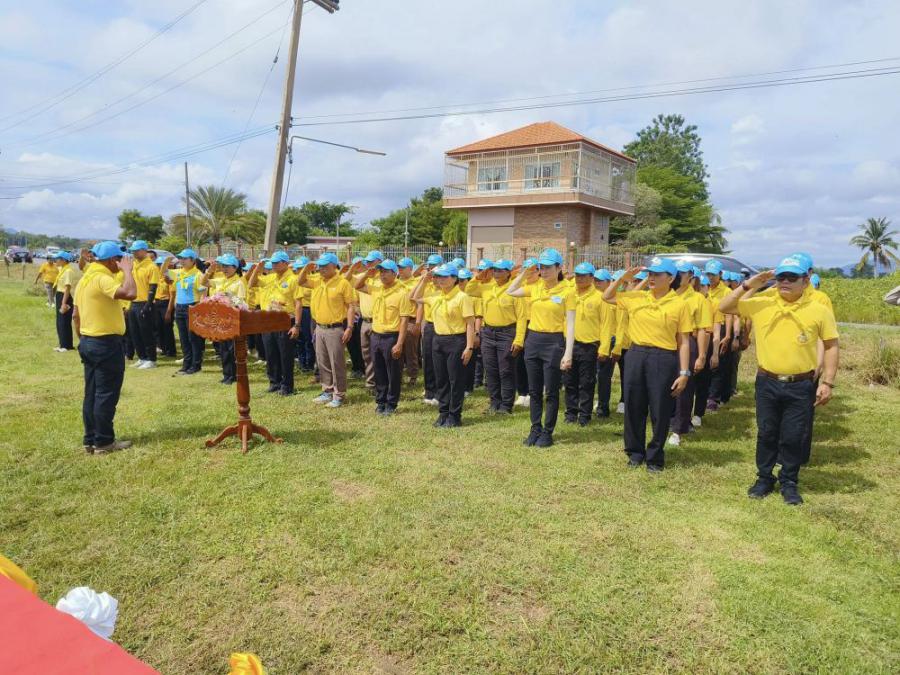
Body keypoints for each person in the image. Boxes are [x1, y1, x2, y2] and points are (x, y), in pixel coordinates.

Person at [719, 256, 839, 506]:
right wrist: (751, 283)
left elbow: (831, 345)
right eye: (781, 276)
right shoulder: (762, 303)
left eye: (791, 277)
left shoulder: (819, 309)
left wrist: (827, 382)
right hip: (767, 381)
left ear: (805, 281)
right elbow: (725, 306)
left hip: (801, 384)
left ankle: (789, 481)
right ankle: (764, 478)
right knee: (767, 432)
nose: (784, 281)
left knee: (793, 435)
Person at [603, 258, 692, 472]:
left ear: (670, 278)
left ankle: (655, 456)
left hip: (663, 357)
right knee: (634, 405)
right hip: (636, 354)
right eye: (650, 273)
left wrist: (684, 372)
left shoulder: (680, 304)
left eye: (657, 274)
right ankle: (635, 452)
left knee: (660, 408)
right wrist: (622, 279)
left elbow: (684, 341)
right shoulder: (637, 297)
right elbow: (607, 296)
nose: (652, 278)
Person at [71, 241, 137, 454]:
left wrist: (83, 338)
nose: (121, 263)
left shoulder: (85, 279)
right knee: (106, 394)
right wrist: (128, 271)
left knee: (91, 393)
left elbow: (76, 315)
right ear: (111, 260)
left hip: (89, 340)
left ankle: (91, 439)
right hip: (105, 343)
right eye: (119, 259)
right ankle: (104, 442)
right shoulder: (102, 278)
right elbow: (130, 293)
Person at [507, 248, 575, 448]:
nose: (543, 271)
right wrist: (523, 274)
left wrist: (568, 353)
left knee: (551, 391)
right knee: (534, 390)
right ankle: (535, 428)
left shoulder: (567, 291)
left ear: (559, 268)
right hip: (533, 340)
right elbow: (511, 291)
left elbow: (571, 324)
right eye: (541, 268)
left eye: (547, 267)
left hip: (553, 342)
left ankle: (547, 432)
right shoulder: (535, 288)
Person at [411, 264, 476, 427]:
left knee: (455, 380)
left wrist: (469, 347)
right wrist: (424, 280)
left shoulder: (462, 297)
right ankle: (443, 412)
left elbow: (470, 323)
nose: (441, 280)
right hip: (438, 340)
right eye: (438, 276)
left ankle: (455, 415)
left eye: (445, 276)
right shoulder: (436, 296)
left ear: (454, 279)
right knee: (441, 379)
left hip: (456, 341)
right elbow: (414, 297)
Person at [292, 253, 356, 408]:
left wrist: (349, 327)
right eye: (320, 266)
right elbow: (300, 281)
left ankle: (339, 394)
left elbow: (351, 306)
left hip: (335, 328)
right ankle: (327, 390)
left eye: (325, 266)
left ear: (334, 266)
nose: (322, 269)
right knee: (322, 361)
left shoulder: (343, 283)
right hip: (319, 327)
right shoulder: (317, 280)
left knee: (337, 363)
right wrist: (306, 268)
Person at [353, 259, 412, 416]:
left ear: (394, 273)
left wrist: (399, 343)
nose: (382, 275)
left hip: (391, 337)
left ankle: (391, 403)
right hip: (376, 335)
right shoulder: (377, 289)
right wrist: (367, 274)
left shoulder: (402, 292)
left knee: (393, 372)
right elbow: (357, 286)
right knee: (378, 370)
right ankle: (381, 401)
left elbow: (404, 320)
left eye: (386, 272)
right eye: (381, 271)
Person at [467, 259, 525, 414]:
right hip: (488, 332)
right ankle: (494, 402)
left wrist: (519, 339)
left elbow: (521, 317)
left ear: (508, 272)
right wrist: (478, 277)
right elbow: (469, 290)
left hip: (507, 333)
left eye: (500, 270)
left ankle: (506, 405)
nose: (496, 273)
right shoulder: (487, 287)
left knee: (506, 370)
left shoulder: (515, 290)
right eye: (494, 270)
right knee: (491, 369)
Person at [668, 262, 712, 446]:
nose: (679, 276)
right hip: (665, 341)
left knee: (683, 386)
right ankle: (667, 419)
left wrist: (702, 356)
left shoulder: (698, 299)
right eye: (676, 273)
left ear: (691, 277)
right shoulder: (665, 295)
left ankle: (678, 428)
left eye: (683, 273)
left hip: (687, 342)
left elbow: (703, 329)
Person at [247, 251, 298, 395]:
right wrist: (258, 268)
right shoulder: (270, 278)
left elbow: (298, 303)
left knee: (285, 354)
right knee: (271, 353)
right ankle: (274, 382)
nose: (274, 265)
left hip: (284, 319)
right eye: (272, 263)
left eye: (277, 262)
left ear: (286, 263)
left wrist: (297, 324)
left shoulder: (293, 279)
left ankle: (287, 386)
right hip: (268, 319)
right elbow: (251, 283)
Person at [563, 262, 607, 426]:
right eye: (577, 275)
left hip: (589, 345)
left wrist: (604, 348)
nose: (579, 279)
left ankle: (584, 415)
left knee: (586, 382)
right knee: (569, 381)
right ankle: (571, 413)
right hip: (570, 344)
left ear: (592, 277)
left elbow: (606, 324)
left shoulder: (600, 297)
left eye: (583, 276)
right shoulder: (570, 294)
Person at [201, 255, 245, 384]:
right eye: (223, 266)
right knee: (223, 349)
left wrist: (227, 297)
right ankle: (227, 374)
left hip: (232, 319)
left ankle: (234, 375)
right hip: (220, 318)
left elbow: (240, 302)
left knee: (232, 349)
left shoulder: (239, 283)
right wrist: (209, 271)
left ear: (235, 268)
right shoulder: (220, 280)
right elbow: (203, 283)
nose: (224, 269)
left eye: (227, 266)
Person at [346, 250, 385, 395]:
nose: (368, 264)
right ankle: (371, 383)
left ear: (379, 262)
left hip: (379, 321)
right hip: (365, 321)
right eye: (367, 262)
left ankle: (382, 382)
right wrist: (353, 268)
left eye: (371, 262)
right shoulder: (364, 278)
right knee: (367, 354)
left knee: (379, 354)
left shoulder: (384, 279)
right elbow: (346, 280)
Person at [162, 249, 206, 375]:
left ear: (193, 260)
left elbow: (203, 293)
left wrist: (200, 309)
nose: (182, 261)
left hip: (193, 306)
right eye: (180, 258)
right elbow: (163, 272)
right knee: (183, 338)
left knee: (193, 338)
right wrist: (167, 260)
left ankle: (195, 365)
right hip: (180, 308)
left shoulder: (198, 274)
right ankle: (186, 364)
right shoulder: (179, 272)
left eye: (185, 258)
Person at [124, 241, 160, 370]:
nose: (134, 252)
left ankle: (151, 359)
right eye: (133, 250)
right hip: (133, 302)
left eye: (137, 250)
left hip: (145, 303)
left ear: (145, 250)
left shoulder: (151, 266)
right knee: (135, 333)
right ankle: (142, 357)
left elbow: (153, 287)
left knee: (146, 333)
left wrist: (148, 305)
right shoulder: (133, 264)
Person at [703, 260, 731, 412]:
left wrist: (728, 335)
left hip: (721, 327)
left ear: (720, 274)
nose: (711, 277)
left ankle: (714, 397)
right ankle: (705, 393)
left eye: (713, 274)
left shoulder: (726, 292)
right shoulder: (704, 288)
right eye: (708, 274)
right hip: (705, 328)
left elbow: (730, 315)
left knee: (718, 363)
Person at [416, 253, 444, 405]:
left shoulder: (447, 285)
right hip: (430, 325)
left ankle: (440, 393)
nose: (432, 270)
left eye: (434, 267)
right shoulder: (427, 285)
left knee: (439, 361)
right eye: (430, 267)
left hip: (443, 327)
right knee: (427, 359)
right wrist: (424, 280)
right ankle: (429, 391)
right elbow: (415, 299)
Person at [514, 258, 540, 407]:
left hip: (535, 325)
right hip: (520, 324)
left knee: (532, 361)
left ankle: (532, 392)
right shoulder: (520, 286)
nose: (529, 273)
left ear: (538, 271)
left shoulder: (541, 286)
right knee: (519, 360)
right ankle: (522, 392)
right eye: (526, 270)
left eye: (532, 270)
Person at [592, 268, 617, 418]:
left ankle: (603, 407)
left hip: (609, 340)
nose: (597, 283)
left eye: (600, 281)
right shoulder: (592, 297)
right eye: (595, 280)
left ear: (609, 282)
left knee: (603, 377)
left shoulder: (614, 299)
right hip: (593, 339)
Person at [396, 257, 421, 386]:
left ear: (410, 269)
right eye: (399, 267)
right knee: (397, 349)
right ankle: (397, 375)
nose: (400, 270)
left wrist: (417, 323)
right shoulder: (395, 282)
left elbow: (420, 304)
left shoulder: (417, 283)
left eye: (402, 268)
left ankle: (413, 376)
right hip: (396, 321)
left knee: (411, 350)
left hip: (410, 320)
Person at [292, 256, 316, 373]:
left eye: (301, 268)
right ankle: (302, 362)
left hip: (308, 311)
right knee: (299, 337)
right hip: (297, 310)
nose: (299, 271)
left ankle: (309, 363)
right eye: (298, 269)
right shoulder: (295, 280)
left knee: (309, 338)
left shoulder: (313, 280)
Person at [52, 251, 80, 353]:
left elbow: (67, 288)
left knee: (64, 322)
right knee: (59, 322)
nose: (56, 260)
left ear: (64, 260)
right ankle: (62, 344)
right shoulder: (63, 269)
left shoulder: (68, 271)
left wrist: (63, 303)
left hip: (65, 297)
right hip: (60, 295)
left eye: (58, 259)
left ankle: (66, 345)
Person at [152, 255, 177, 358]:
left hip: (166, 303)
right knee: (158, 327)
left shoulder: (169, 278)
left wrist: (169, 311)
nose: (159, 267)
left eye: (160, 265)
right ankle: (163, 348)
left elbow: (172, 296)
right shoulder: (156, 277)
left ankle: (171, 350)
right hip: (157, 303)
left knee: (167, 328)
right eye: (157, 265)